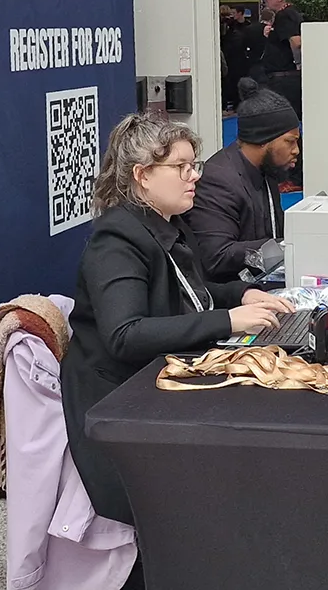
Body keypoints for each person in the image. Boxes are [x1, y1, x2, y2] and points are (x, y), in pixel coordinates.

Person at [60, 115, 294, 588]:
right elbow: (126, 334)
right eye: (182, 167)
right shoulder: (117, 241)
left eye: (195, 165)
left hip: (155, 381)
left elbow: (190, 292)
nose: (195, 177)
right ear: (142, 175)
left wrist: (241, 295)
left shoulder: (167, 224)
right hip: (117, 403)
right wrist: (228, 321)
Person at [182, 79, 301, 282]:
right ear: (263, 140)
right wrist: (285, 246)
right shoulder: (219, 180)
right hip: (232, 294)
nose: (296, 150)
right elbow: (217, 255)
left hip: (263, 282)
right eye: (290, 141)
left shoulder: (266, 169)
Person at [261, 0, 304, 118]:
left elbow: (296, 42)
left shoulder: (285, 15)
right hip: (284, 77)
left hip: (284, 80)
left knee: (282, 119)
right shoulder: (288, 15)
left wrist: (298, 64)